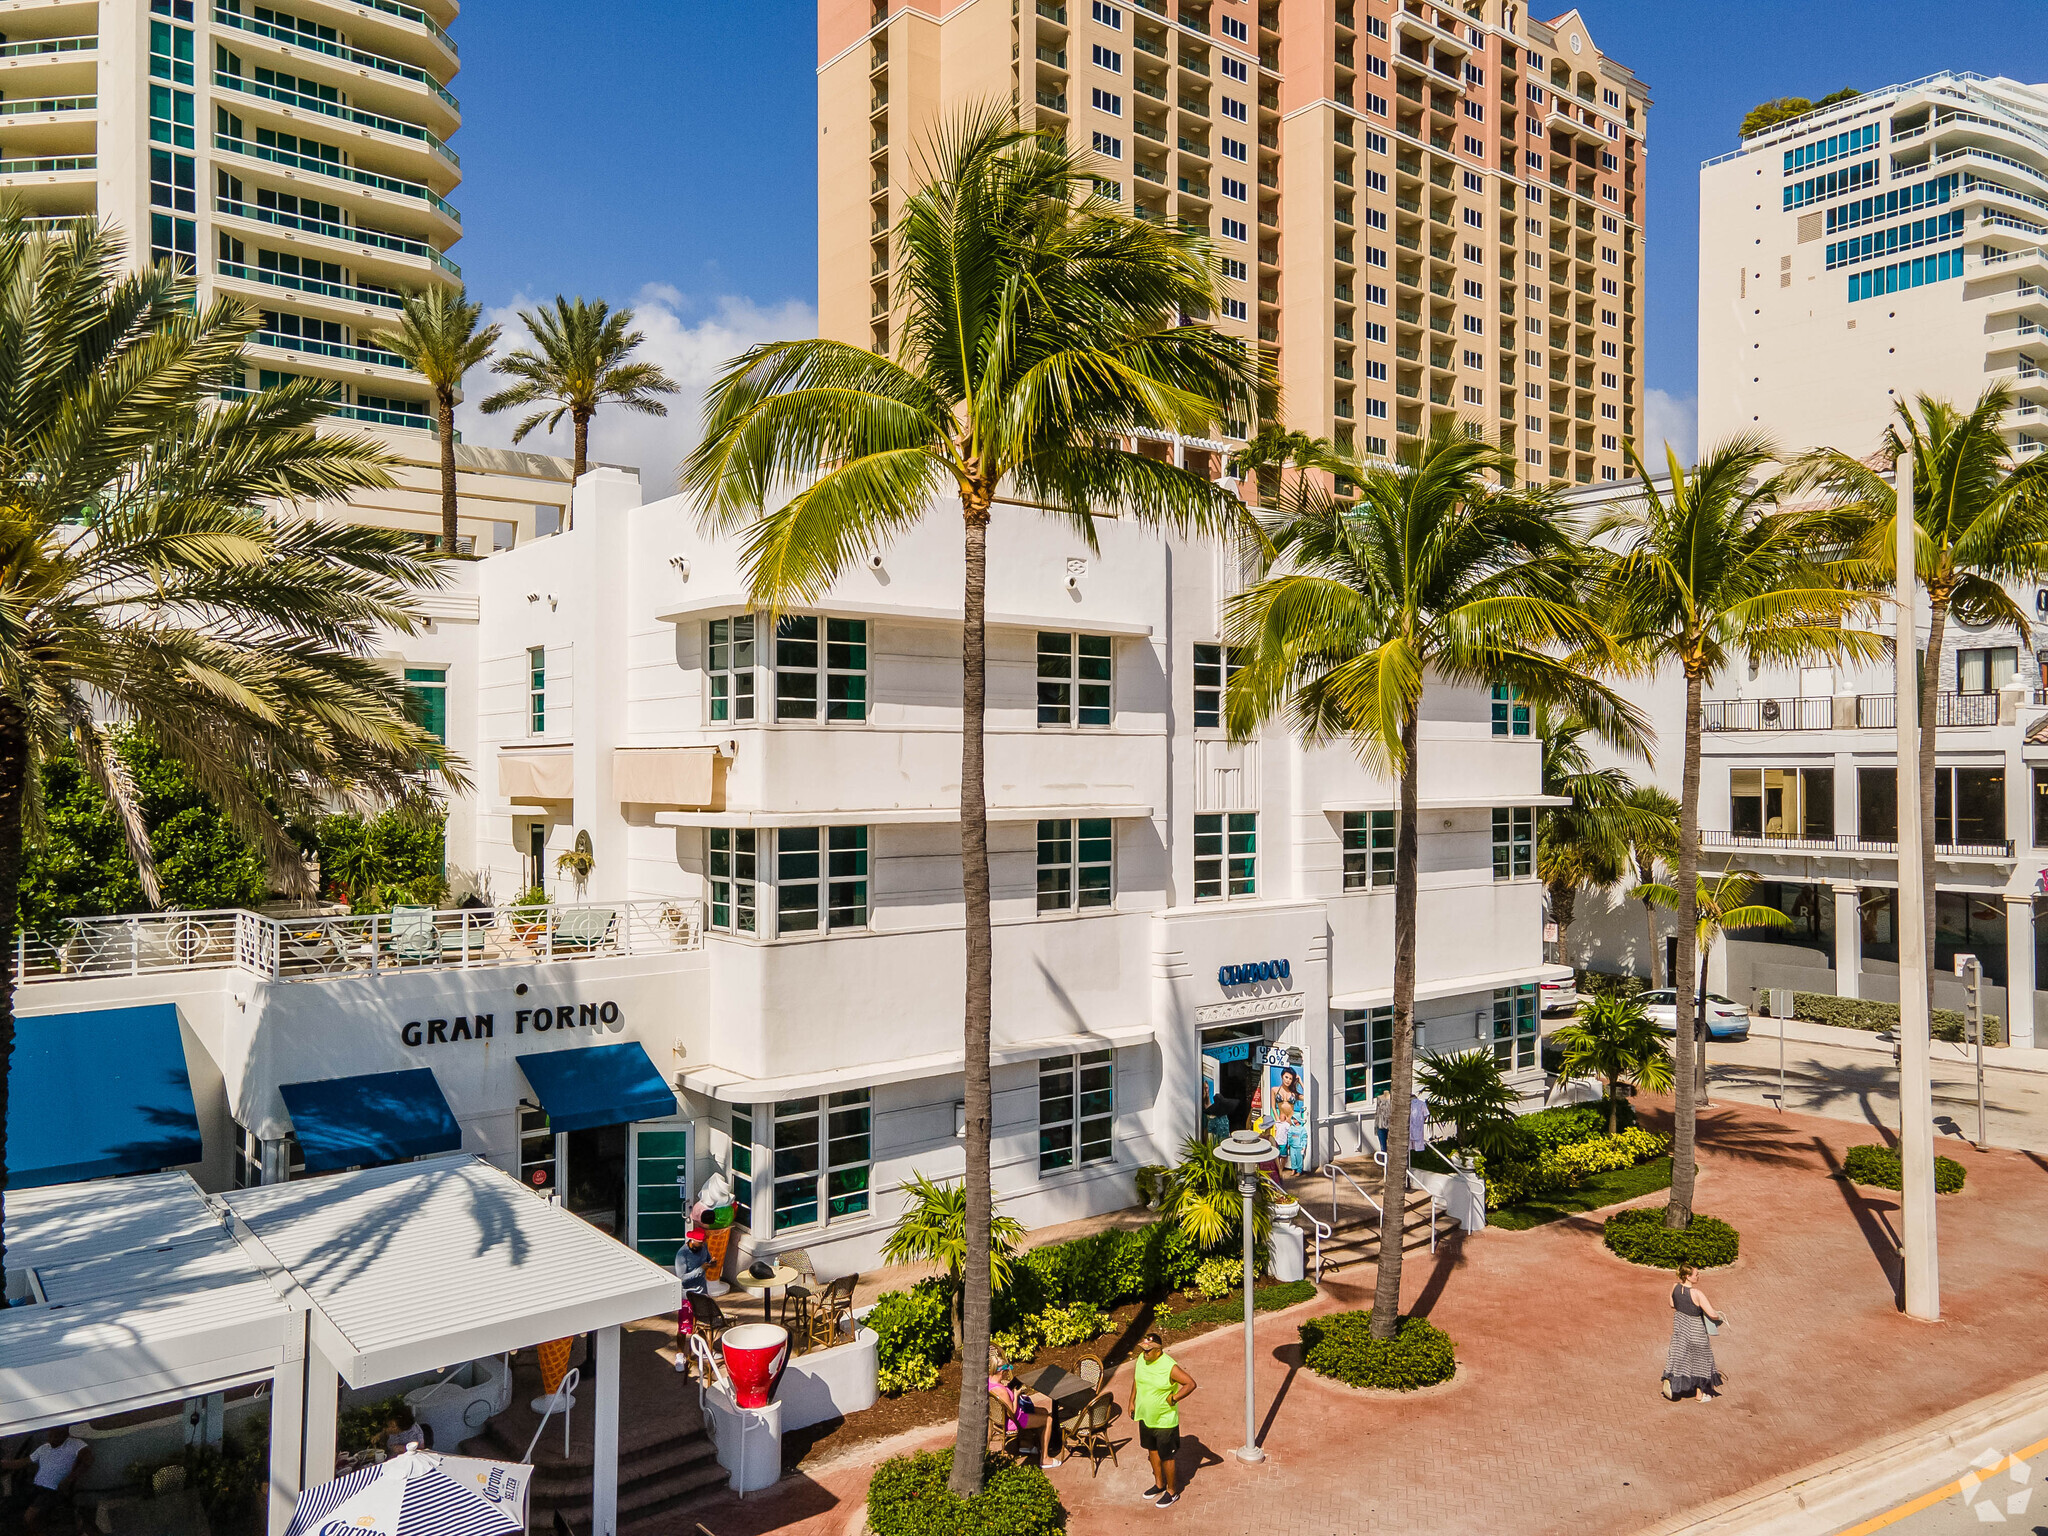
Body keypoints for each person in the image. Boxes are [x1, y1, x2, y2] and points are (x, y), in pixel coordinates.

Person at [1132, 1330, 1196, 1509]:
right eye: (1144, 1349)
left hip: (1164, 1421)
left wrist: (1174, 1398)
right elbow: (1137, 1380)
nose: (1145, 1353)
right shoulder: (1141, 1360)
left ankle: (1171, 1491)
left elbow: (1190, 1384)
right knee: (1152, 1450)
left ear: (1159, 1350)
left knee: (1167, 1456)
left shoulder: (1169, 1366)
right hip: (1145, 1417)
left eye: (1149, 1350)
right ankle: (1159, 1484)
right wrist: (1131, 1402)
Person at [0, 1425, 93, 1531]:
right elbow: (22, 1463)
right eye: (51, 1434)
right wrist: (4, 1464)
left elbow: (88, 1460)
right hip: (35, 1487)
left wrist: (70, 1479)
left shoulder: (75, 1444)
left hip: (52, 1490)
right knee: (9, 1507)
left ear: (65, 1433)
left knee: (29, 1517)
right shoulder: (44, 1448)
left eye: (57, 1434)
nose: (53, 1438)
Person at [1662, 1262, 1725, 1402]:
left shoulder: (1675, 1287)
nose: (1698, 1276)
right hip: (1696, 1331)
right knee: (1702, 1361)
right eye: (1696, 1274)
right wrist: (1719, 1317)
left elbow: (1672, 1304)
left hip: (1681, 1329)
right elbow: (1712, 1314)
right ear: (1688, 1277)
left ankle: (1672, 1382)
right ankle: (1699, 1394)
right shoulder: (1697, 1293)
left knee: (1679, 1358)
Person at [988, 1353, 1061, 1468]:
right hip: (1015, 1420)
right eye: (1006, 1372)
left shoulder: (989, 1383)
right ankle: (1045, 1459)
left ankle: (1027, 1444)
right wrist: (1016, 1395)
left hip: (1001, 1418)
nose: (1006, 1375)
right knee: (1048, 1420)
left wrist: (1008, 1388)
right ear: (1002, 1372)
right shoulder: (1001, 1391)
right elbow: (1012, 1411)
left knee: (1043, 1411)